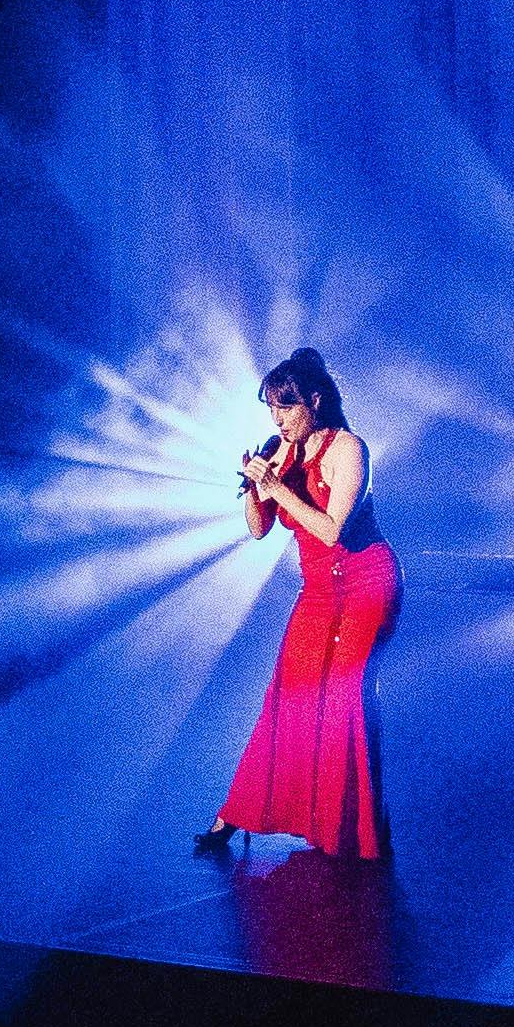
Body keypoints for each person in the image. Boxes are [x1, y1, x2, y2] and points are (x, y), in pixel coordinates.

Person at [197, 345, 399, 866]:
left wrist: (277, 489)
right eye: (271, 409)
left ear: (315, 400)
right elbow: (259, 529)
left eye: (286, 407)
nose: (278, 419)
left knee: (344, 700)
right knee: (290, 694)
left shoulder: (348, 449)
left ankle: (352, 831)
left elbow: (332, 530)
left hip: (365, 585)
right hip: (317, 592)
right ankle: (236, 812)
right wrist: (254, 487)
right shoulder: (281, 453)